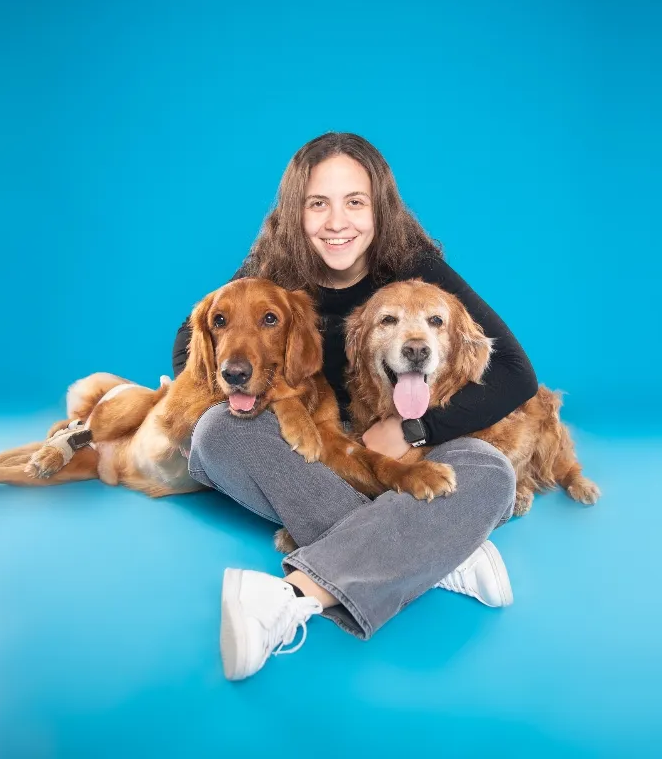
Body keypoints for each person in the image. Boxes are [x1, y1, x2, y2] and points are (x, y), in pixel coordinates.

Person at [171, 133, 540, 681]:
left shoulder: (413, 264)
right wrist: (282, 397)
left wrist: (417, 428)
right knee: (215, 435)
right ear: (296, 211)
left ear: (379, 208)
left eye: (355, 202)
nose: (336, 221)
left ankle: (288, 595)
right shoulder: (275, 265)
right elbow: (190, 347)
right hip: (315, 446)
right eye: (317, 203)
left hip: (393, 447)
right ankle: (442, 553)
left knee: (489, 472)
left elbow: (516, 373)